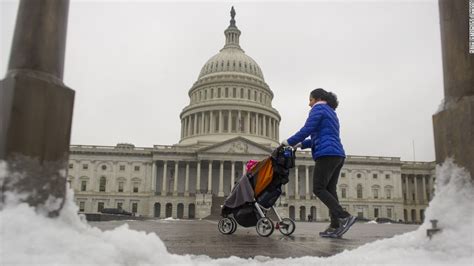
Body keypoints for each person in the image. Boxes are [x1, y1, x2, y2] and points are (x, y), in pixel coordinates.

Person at [282, 88, 356, 238]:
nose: (309, 104)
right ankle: (335, 225)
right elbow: (323, 135)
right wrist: (301, 145)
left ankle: (343, 216)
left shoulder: (318, 109)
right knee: (330, 189)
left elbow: (307, 129)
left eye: (310, 100)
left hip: (326, 154)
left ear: (317, 98)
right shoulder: (331, 112)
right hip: (337, 154)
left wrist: (288, 142)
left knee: (318, 188)